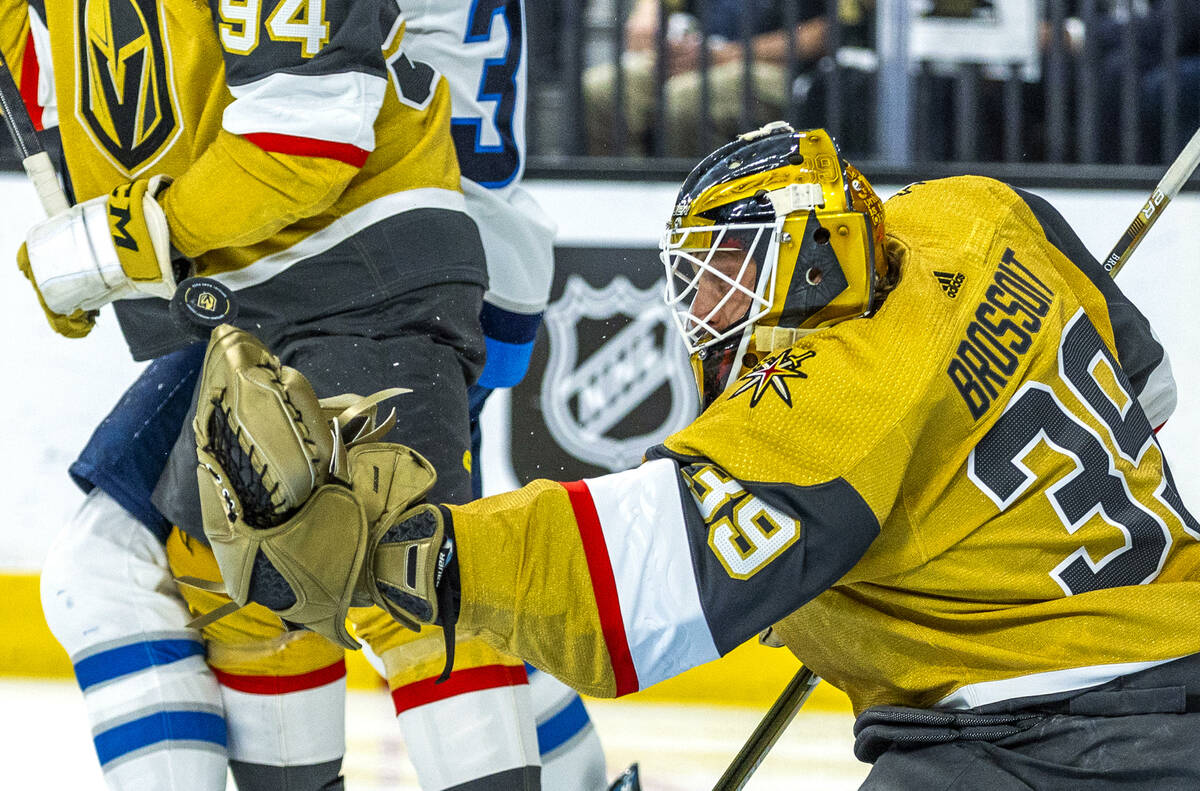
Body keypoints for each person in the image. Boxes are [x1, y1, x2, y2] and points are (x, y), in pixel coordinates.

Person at [191, 121, 1200, 790]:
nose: (707, 313)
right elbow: (1146, 391)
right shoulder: (980, 216)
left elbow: (627, 577)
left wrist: (405, 548)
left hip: (1049, 742)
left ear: (818, 247)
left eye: (729, 272)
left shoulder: (835, 403)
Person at [6, 0, 592, 788]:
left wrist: (113, 244)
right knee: (304, 574)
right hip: (396, 248)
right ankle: (579, 774)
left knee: (384, 572)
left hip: (354, 247)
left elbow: (303, 127)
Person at [583, 0, 828, 157]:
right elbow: (645, 25)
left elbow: (826, 32)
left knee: (687, 99)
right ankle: (628, 202)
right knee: (603, 89)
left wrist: (728, 55)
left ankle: (694, 215)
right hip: (700, 56)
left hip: (784, 68)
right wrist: (649, 14)